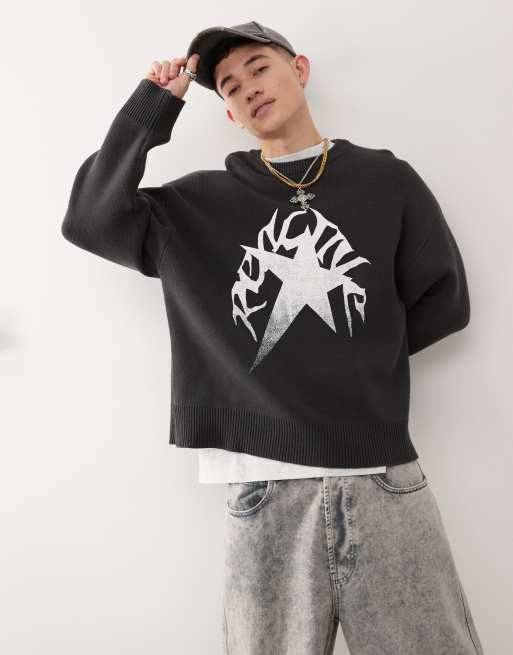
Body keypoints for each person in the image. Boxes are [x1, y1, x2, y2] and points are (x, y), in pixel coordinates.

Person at [61, 20, 485, 655]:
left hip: (383, 476)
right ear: (229, 115)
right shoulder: (196, 206)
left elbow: (444, 301)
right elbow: (90, 220)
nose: (248, 87)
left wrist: (351, 363)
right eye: (230, 86)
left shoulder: (386, 179)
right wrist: (151, 108)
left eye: (259, 68)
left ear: (300, 69)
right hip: (265, 486)